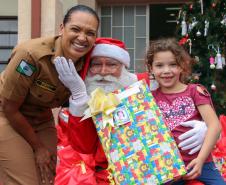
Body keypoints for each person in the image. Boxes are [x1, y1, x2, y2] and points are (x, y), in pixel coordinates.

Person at [54, 38, 209, 184]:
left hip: (159, 170)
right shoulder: (85, 96)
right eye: (96, 64)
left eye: (111, 64)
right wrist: (80, 98)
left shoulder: (144, 85)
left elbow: (183, 97)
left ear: (123, 68)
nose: (103, 71)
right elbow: (84, 146)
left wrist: (204, 126)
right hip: (108, 176)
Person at [0, 4, 99, 185]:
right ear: (62, 28)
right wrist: (38, 148)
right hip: (7, 113)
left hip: (41, 116)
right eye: (75, 29)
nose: (82, 38)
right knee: (24, 180)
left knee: (47, 178)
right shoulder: (31, 55)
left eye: (90, 33)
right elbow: (9, 107)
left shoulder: (91, 60)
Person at [146, 37, 225, 184]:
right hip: (168, 167)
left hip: (202, 162)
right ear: (151, 68)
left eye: (173, 64)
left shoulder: (195, 91)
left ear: (182, 66)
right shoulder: (148, 98)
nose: (166, 71)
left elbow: (214, 126)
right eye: (159, 65)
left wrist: (200, 160)